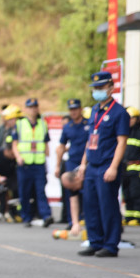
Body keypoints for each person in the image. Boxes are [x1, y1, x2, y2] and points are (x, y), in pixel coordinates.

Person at [77, 71, 130, 257]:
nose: (97, 91)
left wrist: (114, 167)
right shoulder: (93, 110)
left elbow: (121, 142)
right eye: (95, 88)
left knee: (108, 205)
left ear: (111, 87)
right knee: (90, 205)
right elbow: (90, 139)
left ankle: (110, 245)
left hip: (107, 164)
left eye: (101, 87)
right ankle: (95, 241)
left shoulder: (119, 112)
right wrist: (83, 164)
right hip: (92, 165)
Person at [12, 98, 53, 228]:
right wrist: (18, 157)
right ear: (26, 109)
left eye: (35, 107)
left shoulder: (43, 123)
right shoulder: (20, 124)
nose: (33, 109)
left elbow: (46, 143)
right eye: (30, 107)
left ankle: (46, 216)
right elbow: (14, 144)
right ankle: (26, 217)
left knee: (41, 191)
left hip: (39, 162)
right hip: (25, 163)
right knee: (25, 192)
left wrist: (48, 158)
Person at [55, 99, 88, 235]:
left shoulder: (88, 123)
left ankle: (87, 219)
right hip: (72, 162)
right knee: (71, 193)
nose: (73, 112)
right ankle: (73, 221)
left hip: (87, 162)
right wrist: (58, 165)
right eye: (71, 110)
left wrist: (84, 164)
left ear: (80, 109)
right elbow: (61, 146)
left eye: (75, 109)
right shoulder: (67, 126)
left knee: (87, 191)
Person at [0, 145, 18, 222]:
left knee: (13, 191)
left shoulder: (15, 157)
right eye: (12, 154)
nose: (14, 157)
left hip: (9, 174)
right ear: (7, 151)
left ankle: (11, 213)